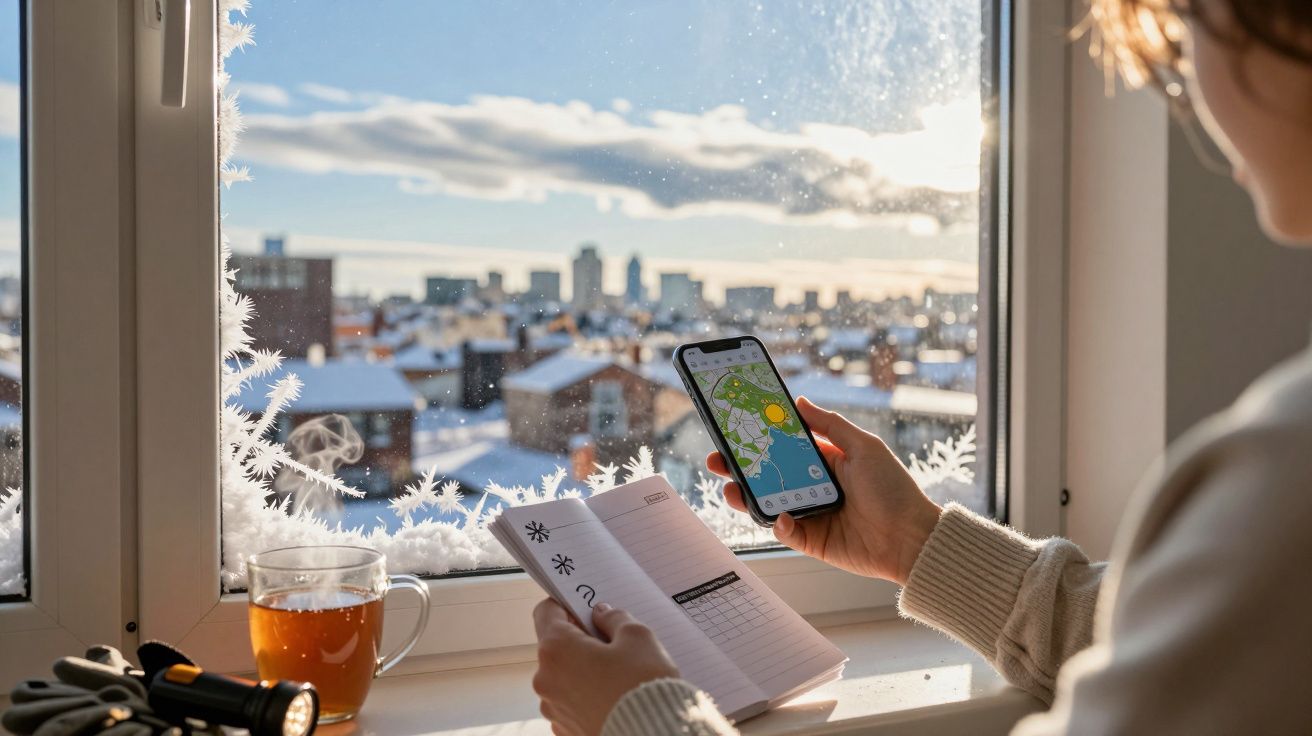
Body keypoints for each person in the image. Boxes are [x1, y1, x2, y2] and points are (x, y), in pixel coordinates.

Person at [531, 1, 1312, 734]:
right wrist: (913, 540)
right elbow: (1166, 634)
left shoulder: (1284, 477)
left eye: (1188, 24)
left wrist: (643, 716)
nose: (1180, 77)